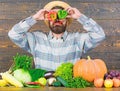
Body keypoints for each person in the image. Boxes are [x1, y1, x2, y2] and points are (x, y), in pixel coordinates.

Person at [8, 1, 105, 71]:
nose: (57, 19)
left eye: (61, 16)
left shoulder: (78, 39)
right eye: (53, 16)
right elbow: (13, 34)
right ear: (48, 20)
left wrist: (80, 17)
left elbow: (99, 35)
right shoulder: (36, 39)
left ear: (67, 20)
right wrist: (34, 18)